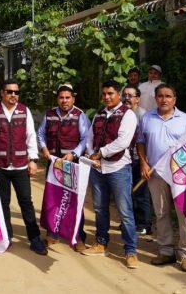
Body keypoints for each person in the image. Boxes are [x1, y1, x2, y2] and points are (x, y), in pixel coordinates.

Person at [137, 84, 186, 272]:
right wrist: (143, 163)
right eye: (160, 96)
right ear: (155, 98)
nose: (164, 99)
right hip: (155, 173)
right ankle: (166, 251)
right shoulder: (147, 118)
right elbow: (141, 142)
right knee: (161, 212)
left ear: (175, 99)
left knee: (184, 213)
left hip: (180, 174)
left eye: (168, 96)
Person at [0, 80, 46, 255]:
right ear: (2, 93)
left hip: (20, 165)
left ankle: (34, 238)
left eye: (16, 92)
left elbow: (31, 136)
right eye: (9, 92)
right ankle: (6, 237)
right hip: (0, 166)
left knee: (26, 202)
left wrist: (33, 159)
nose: (13, 95)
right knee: (3, 204)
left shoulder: (25, 111)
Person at [83, 80, 140, 268]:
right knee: (99, 208)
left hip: (119, 169)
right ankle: (101, 242)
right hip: (98, 168)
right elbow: (90, 137)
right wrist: (92, 155)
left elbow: (123, 141)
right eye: (104, 94)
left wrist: (101, 153)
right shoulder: (99, 114)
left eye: (111, 93)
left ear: (119, 94)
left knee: (125, 211)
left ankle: (131, 251)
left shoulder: (128, 114)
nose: (107, 97)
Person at [37, 83, 90, 251]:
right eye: (61, 97)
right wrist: (44, 149)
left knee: (74, 200)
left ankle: (78, 237)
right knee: (53, 198)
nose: (64, 101)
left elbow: (86, 139)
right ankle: (52, 234)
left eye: (68, 97)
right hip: (54, 164)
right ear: (57, 99)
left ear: (73, 98)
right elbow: (40, 134)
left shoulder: (80, 115)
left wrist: (74, 154)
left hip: (71, 165)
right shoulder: (49, 114)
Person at [122, 85, 152, 238]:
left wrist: (144, 161)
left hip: (139, 160)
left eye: (130, 95)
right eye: (125, 95)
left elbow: (145, 140)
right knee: (126, 192)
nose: (127, 98)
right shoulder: (121, 113)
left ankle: (143, 224)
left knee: (140, 192)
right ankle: (129, 221)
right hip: (123, 160)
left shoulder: (144, 115)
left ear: (138, 99)